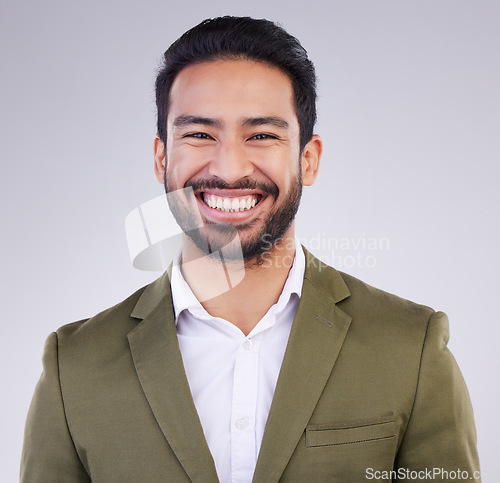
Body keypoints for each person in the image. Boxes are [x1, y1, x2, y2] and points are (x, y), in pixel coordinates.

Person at [21, 16, 480, 482]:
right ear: (161, 157)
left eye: (261, 135)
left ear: (308, 159)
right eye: (200, 134)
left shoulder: (411, 348)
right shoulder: (73, 368)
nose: (230, 167)